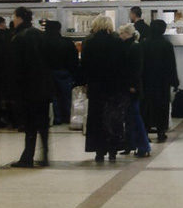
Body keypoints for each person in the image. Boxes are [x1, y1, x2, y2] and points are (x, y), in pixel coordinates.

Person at [10, 7, 53, 168]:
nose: (13, 20)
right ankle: (45, 154)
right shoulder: (40, 35)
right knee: (43, 123)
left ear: (20, 18)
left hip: (28, 88)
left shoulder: (19, 38)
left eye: (14, 17)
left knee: (29, 124)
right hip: (44, 86)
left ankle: (27, 157)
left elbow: (17, 67)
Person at [81, 15, 129, 162]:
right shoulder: (118, 41)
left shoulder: (88, 42)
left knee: (96, 118)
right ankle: (113, 150)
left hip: (96, 87)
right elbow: (123, 66)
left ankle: (99, 151)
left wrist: (84, 83)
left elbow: (84, 66)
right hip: (114, 87)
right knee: (114, 119)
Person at [141, 19, 179, 143]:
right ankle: (161, 131)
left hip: (146, 81)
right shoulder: (166, 45)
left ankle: (145, 132)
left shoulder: (144, 44)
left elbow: (140, 65)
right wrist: (175, 82)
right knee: (161, 107)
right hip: (162, 82)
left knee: (146, 107)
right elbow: (171, 65)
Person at [119, 23, 151, 157]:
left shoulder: (134, 47)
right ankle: (130, 144)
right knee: (129, 117)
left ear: (127, 34)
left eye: (121, 34)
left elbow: (136, 69)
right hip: (131, 87)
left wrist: (132, 86)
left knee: (135, 117)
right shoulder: (131, 46)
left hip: (133, 88)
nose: (120, 36)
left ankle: (144, 146)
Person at [43, 20, 79, 125]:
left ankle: (56, 118)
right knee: (66, 96)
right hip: (65, 72)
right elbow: (74, 59)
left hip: (48, 73)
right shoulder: (67, 42)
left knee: (53, 97)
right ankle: (67, 117)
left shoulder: (43, 42)